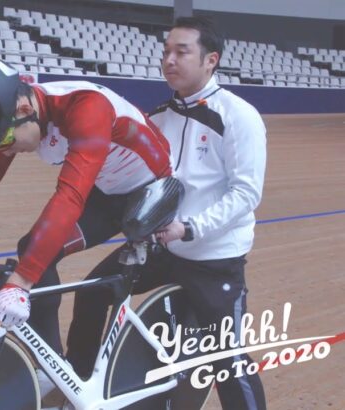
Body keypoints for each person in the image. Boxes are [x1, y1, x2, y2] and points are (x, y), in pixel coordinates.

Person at [0, 52, 172, 375]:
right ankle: (55, 370)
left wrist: (21, 283)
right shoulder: (14, 118)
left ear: (25, 110)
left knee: (44, 268)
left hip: (151, 192)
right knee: (32, 252)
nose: (3, 152)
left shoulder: (86, 108)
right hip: (107, 187)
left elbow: (70, 195)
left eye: (5, 142)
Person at [64, 16, 268, 409]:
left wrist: (189, 229)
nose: (169, 60)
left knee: (227, 359)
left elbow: (246, 194)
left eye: (181, 51)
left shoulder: (239, 116)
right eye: (166, 52)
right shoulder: (157, 117)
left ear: (211, 60)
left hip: (214, 260)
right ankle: (79, 385)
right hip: (163, 249)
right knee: (92, 292)